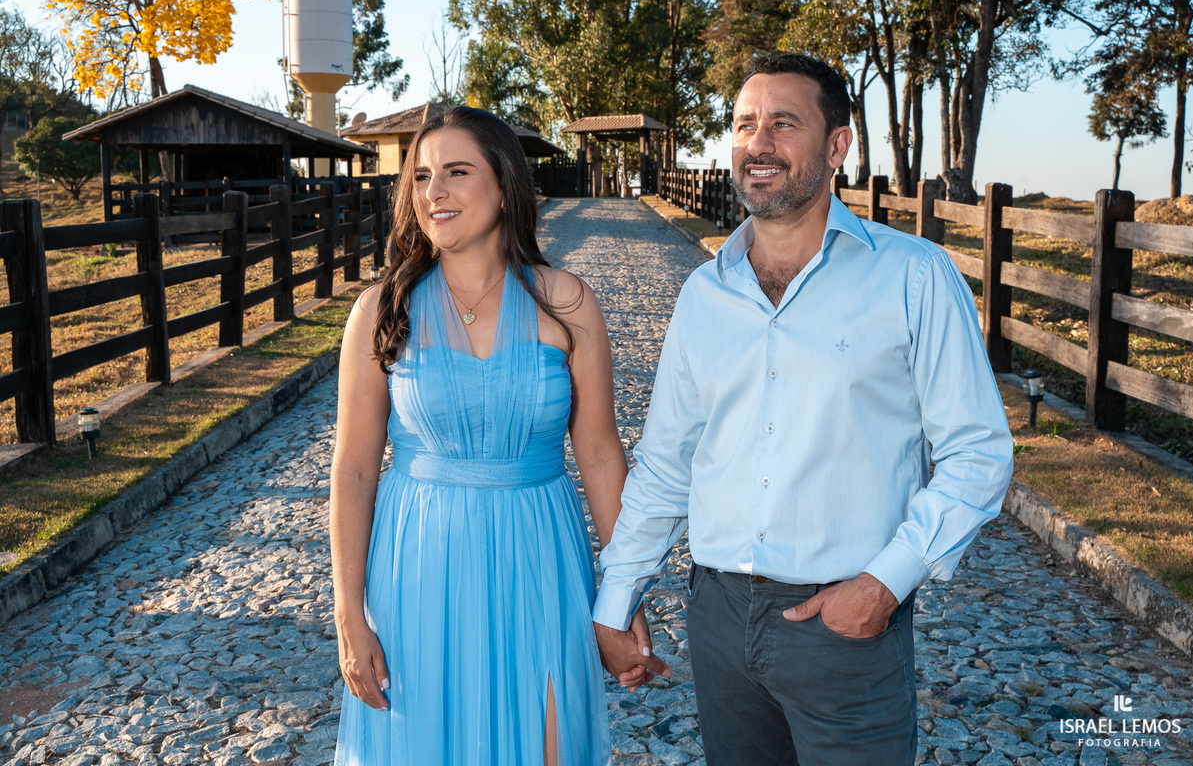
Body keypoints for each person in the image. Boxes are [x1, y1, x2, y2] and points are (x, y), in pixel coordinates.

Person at [592, 52, 1015, 765]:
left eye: (783, 124)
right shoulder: (705, 294)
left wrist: (883, 585)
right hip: (719, 617)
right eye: (743, 125)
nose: (758, 144)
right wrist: (616, 597)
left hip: (844, 624)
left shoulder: (913, 276)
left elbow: (978, 454)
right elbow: (667, 463)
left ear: (838, 145)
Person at [329, 105, 661, 766]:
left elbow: (598, 453)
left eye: (456, 171)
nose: (434, 192)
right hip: (416, 563)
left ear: (504, 183)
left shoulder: (566, 303)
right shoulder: (379, 310)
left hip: (540, 555)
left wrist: (623, 599)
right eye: (421, 176)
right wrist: (348, 618)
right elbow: (355, 468)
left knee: (544, 741)